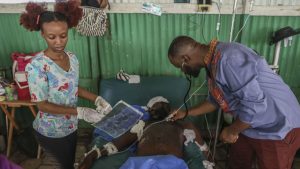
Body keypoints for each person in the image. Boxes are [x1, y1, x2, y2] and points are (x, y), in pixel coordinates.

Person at [167, 35, 300, 169]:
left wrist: (232, 130)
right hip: (249, 124)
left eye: (181, 67)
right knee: (237, 163)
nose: (183, 71)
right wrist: (185, 113)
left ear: (186, 58)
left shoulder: (228, 59)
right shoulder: (212, 64)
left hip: (278, 126)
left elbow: (255, 104)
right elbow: (215, 101)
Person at [20, 1, 112, 169]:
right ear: (42, 35)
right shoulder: (36, 66)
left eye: (63, 36)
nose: (58, 42)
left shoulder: (72, 58)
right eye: (51, 37)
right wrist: (80, 111)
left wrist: (97, 98)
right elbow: (42, 105)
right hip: (51, 131)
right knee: (62, 164)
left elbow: (70, 87)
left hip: (71, 126)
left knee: (68, 162)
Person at [77, 96, 213, 169]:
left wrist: (204, 161)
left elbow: (203, 151)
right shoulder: (142, 125)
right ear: (148, 110)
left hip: (170, 164)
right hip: (140, 164)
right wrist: (93, 154)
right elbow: (117, 144)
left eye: (163, 104)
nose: (160, 105)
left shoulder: (183, 125)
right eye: (156, 104)